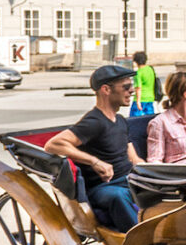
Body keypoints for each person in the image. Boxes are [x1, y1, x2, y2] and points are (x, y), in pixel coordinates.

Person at [45, 64, 145, 231]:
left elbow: (133, 157)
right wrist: (94, 161)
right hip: (103, 188)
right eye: (126, 87)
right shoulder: (94, 122)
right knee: (118, 197)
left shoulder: (120, 120)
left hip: (127, 179)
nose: (132, 91)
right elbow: (53, 144)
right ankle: (138, 242)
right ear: (106, 89)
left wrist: (148, 169)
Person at [128, 50, 159, 118]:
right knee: (149, 119)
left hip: (141, 98)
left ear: (135, 61)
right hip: (150, 97)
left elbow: (138, 88)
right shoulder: (150, 69)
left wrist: (138, 102)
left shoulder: (138, 73)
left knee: (134, 120)